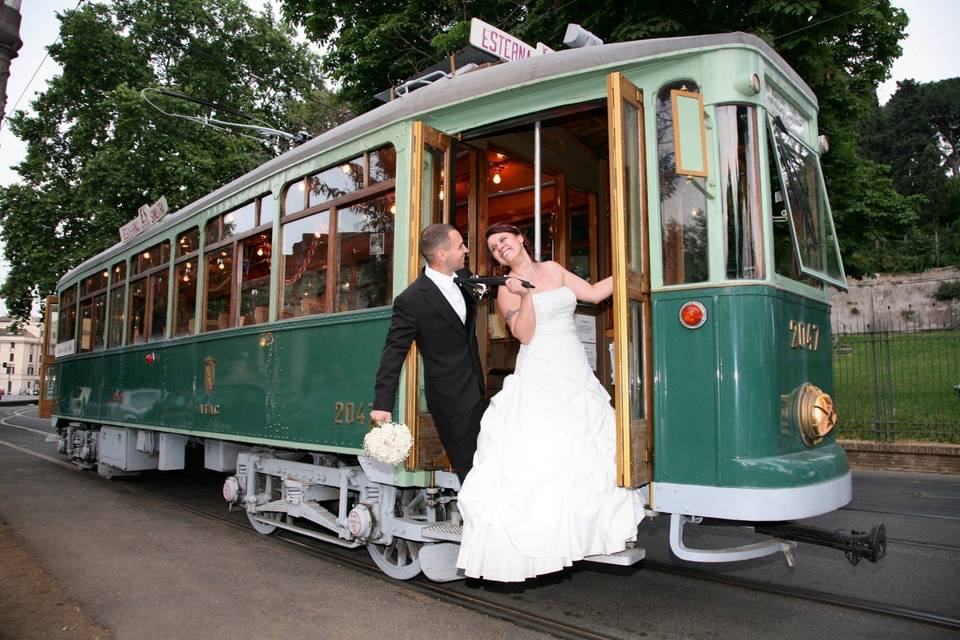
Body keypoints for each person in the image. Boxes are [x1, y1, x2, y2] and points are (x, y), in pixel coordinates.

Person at [456, 223, 644, 582]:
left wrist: (630, 271)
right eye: (494, 248)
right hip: (540, 368)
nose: (500, 248)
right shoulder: (506, 291)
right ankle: (546, 538)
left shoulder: (555, 269)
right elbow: (524, 334)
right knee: (544, 451)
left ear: (521, 239)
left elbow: (591, 293)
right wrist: (525, 297)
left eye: (504, 240)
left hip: (573, 368)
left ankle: (587, 535)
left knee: (583, 447)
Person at [370, 223, 487, 481]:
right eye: (460, 246)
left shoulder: (465, 277)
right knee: (470, 471)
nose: (466, 250)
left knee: (487, 463)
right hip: (450, 398)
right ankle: (477, 521)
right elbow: (394, 351)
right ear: (442, 255)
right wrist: (382, 403)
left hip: (478, 390)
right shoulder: (411, 300)